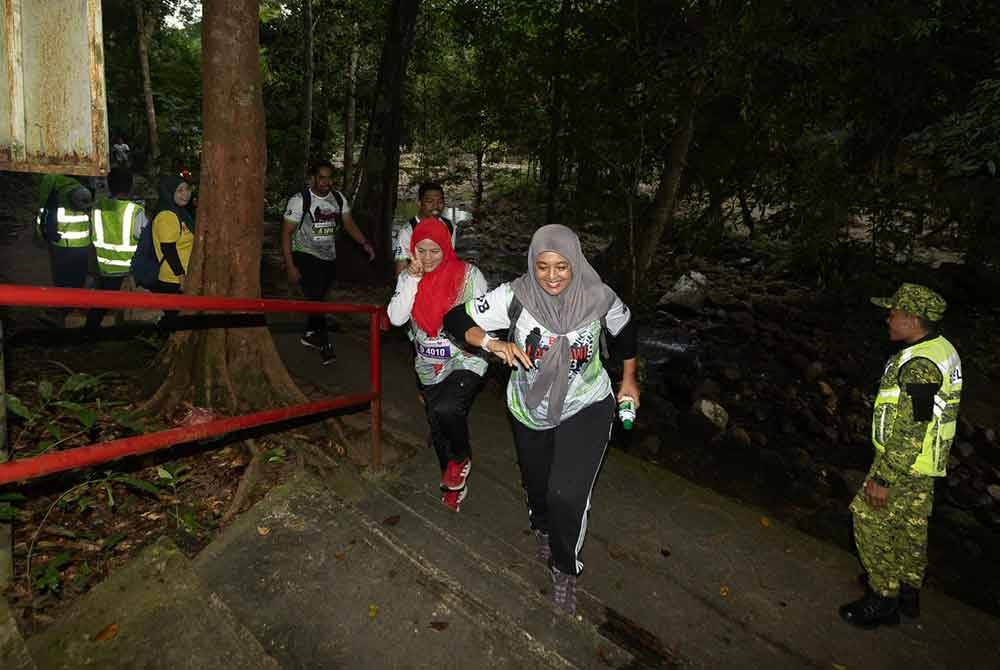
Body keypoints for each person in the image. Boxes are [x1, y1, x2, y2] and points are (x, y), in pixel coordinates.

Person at [443, 224, 639, 615]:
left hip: (587, 404)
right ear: (532, 264)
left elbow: (626, 330)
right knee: (538, 486)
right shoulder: (515, 296)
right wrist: (492, 342)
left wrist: (630, 379)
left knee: (567, 493)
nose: (552, 276)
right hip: (529, 408)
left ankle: (566, 568)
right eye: (543, 266)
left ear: (576, 263)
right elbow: (454, 319)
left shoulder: (599, 297)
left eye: (562, 267)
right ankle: (544, 527)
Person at [839, 283, 962, 629]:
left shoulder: (921, 367)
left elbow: (912, 428)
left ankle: (883, 599)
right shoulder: (941, 348)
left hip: (905, 464)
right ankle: (908, 591)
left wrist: (883, 478)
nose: (888, 318)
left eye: (893, 313)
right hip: (925, 464)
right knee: (911, 528)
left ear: (911, 319)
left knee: (869, 522)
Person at [387, 218, 489, 511]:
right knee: (437, 423)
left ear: (446, 247)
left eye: (435, 251)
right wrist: (412, 279)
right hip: (428, 363)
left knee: (448, 409)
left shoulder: (469, 276)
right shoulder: (409, 277)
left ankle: (461, 457)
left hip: (465, 357)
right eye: (422, 251)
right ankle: (454, 480)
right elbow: (396, 318)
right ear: (412, 250)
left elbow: (486, 316)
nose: (428, 258)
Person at [282, 160, 375, 364]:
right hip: (304, 253)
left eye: (329, 177)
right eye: (321, 177)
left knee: (318, 300)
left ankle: (309, 334)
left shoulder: (338, 199)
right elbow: (286, 233)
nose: (326, 182)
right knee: (316, 299)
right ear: (313, 178)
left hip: (328, 257)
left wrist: (364, 243)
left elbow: (349, 224)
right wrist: (290, 265)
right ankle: (324, 343)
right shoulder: (300, 200)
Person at [85, 167, 147, 329]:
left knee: (100, 304)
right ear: (131, 186)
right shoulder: (135, 211)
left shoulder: (97, 207)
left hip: (103, 268)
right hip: (129, 271)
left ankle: (88, 332)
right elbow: (145, 239)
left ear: (109, 185)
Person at [151, 174, 195, 326]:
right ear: (169, 193)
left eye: (187, 189)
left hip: (179, 277)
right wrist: (181, 277)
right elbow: (168, 249)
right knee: (173, 320)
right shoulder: (167, 215)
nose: (186, 194)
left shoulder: (180, 212)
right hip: (172, 279)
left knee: (175, 319)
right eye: (180, 191)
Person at [36, 174, 93, 289]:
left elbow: (43, 213)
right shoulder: (80, 186)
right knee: (78, 278)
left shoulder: (49, 185)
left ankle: (63, 304)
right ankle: (75, 302)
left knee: (61, 278)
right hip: (82, 243)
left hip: (60, 243)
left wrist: (42, 235)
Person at [393, 182, 456, 276]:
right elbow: (400, 271)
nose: (436, 206)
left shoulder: (449, 225)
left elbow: (450, 258)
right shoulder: (407, 231)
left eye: (440, 202)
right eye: (430, 202)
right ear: (419, 203)